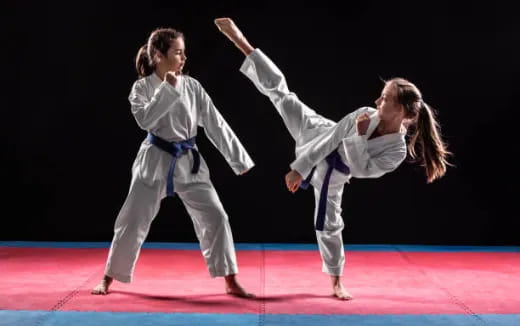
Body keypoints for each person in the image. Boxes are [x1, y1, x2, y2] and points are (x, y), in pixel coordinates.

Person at [214, 17, 451, 300]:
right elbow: (330, 138)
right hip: (315, 132)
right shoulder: (365, 113)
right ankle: (241, 40)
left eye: (385, 99)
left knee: (329, 224)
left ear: (401, 111)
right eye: (380, 96)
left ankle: (336, 281)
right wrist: (299, 169)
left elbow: (363, 171)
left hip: (336, 173)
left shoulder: (397, 150)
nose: (377, 102)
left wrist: (361, 139)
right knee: (282, 95)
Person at [91, 26, 255, 298]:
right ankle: (109, 277)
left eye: (183, 53)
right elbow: (146, 120)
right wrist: (167, 88)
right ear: (158, 55)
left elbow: (215, 123)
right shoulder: (141, 88)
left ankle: (230, 280)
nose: (183, 58)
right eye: (177, 53)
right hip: (154, 161)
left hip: (188, 162)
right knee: (132, 220)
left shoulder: (192, 87)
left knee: (216, 216)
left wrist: (238, 159)